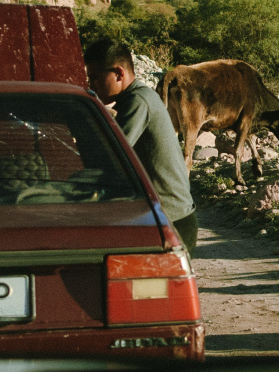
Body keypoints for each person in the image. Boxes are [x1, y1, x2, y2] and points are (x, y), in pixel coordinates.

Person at [84, 39, 198, 256]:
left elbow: (113, 155)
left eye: (95, 78)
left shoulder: (138, 101)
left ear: (118, 73)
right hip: (167, 216)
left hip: (171, 220)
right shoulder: (136, 98)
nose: (92, 85)